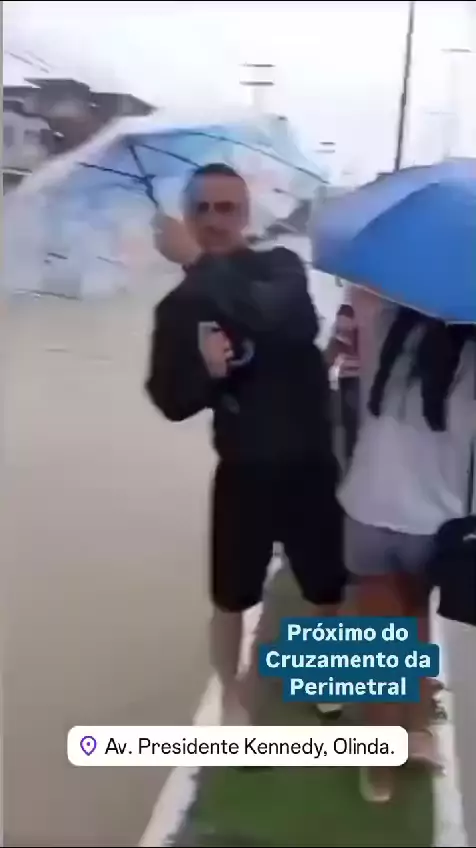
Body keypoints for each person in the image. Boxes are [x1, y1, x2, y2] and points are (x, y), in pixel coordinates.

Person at [146, 163, 347, 724]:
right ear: (187, 217)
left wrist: (199, 264)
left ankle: (325, 673)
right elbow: (170, 400)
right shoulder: (178, 308)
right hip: (242, 467)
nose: (214, 220)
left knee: (325, 585)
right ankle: (230, 697)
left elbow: (280, 319)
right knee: (230, 596)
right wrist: (207, 375)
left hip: (309, 461)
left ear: (245, 214)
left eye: (226, 208)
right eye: (202, 209)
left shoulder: (280, 267)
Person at [338, 294, 476, 803]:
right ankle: (417, 731)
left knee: (379, 645)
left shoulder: (387, 321)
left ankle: (380, 763)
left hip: (368, 506)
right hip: (434, 524)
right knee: (415, 624)